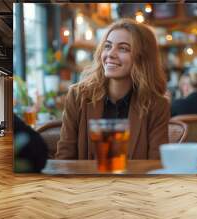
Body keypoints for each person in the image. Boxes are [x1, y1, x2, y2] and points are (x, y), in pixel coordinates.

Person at [56, 18, 169, 160]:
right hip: (86, 182)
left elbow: (156, 165)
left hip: (134, 182)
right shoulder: (78, 96)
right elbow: (64, 159)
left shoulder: (157, 105)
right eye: (107, 46)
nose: (110, 54)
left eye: (123, 48)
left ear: (142, 58)